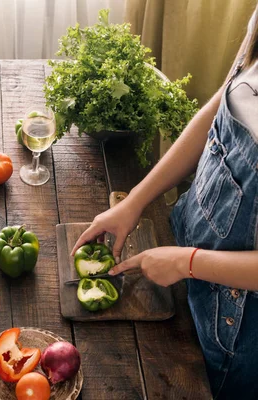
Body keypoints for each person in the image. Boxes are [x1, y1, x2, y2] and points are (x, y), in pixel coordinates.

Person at [71, 7, 258, 399]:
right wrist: (134, 201)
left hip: (234, 321)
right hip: (183, 236)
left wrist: (185, 262)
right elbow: (218, 109)